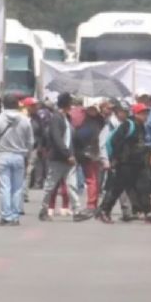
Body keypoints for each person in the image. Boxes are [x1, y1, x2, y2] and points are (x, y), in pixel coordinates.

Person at [96, 103, 151, 224]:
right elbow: (113, 141)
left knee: (144, 188)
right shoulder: (128, 125)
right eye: (143, 113)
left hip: (139, 163)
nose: (145, 116)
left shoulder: (141, 126)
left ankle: (148, 213)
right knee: (117, 189)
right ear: (136, 114)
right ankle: (104, 211)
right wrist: (116, 158)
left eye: (146, 113)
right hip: (125, 164)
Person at [40, 93, 93, 222]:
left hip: (70, 158)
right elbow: (57, 138)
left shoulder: (66, 118)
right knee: (50, 185)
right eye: (70, 103)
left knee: (72, 185)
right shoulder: (56, 118)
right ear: (66, 104)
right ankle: (44, 209)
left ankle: (77, 211)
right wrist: (67, 154)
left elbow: (71, 137)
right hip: (59, 158)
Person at [0, 94, 33, 226]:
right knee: (17, 187)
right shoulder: (25, 120)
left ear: (4, 104)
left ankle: (6, 215)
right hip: (19, 155)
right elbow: (30, 142)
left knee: (5, 187)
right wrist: (27, 155)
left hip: (3, 155)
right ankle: (15, 216)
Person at [74, 103, 103, 212]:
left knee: (92, 179)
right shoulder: (97, 121)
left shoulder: (93, 123)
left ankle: (92, 204)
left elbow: (82, 135)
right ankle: (92, 203)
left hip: (90, 153)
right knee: (93, 179)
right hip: (89, 152)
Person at [22, 97, 47, 202]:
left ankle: (24, 194)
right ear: (27, 107)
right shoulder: (21, 117)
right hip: (20, 147)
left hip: (33, 148)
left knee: (28, 171)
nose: (36, 107)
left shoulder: (38, 118)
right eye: (33, 106)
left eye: (36, 105)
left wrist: (41, 146)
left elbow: (42, 133)